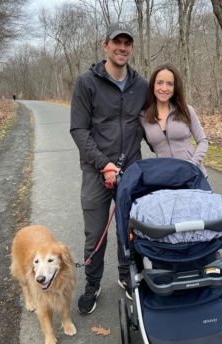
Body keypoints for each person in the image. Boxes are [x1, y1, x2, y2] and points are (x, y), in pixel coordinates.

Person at [70, 22, 148, 315]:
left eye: (127, 43)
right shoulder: (86, 83)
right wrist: (104, 165)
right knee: (95, 232)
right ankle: (92, 284)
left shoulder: (141, 85)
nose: (122, 48)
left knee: (130, 230)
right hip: (96, 171)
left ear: (132, 48)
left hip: (132, 170)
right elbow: (78, 129)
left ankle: (127, 276)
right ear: (106, 45)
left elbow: (156, 119)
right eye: (117, 42)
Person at [140, 63, 208, 177]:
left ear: (175, 87)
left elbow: (203, 141)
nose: (164, 88)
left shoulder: (186, 110)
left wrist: (192, 164)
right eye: (160, 83)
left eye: (170, 84)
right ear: (153, 85)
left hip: (193, 174)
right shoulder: (143, 117)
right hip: (166, 177)